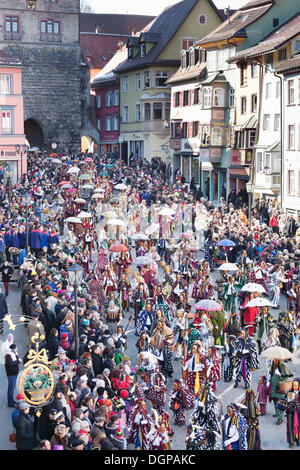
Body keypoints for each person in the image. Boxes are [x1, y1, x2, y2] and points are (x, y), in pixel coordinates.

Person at [4, 343, 21, 408]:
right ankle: (10, 403)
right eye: (16, 348)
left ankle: (12, 400)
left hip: (14, 373)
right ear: (14, 348)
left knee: (12, 388)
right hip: (11, 374)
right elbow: (11, 363)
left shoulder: (14, 354)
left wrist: (17, 357)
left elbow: (16, 360)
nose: (17, 349)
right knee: (11, 389)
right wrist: (17, 361)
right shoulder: (8, 355)